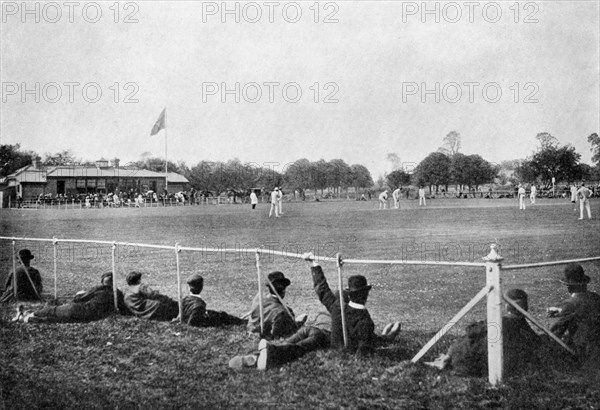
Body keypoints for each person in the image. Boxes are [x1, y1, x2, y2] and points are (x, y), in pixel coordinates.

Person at [426, 289, 540, 377]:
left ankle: (446, 360)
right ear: (526, 307)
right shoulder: (527, 329)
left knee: (471, 339)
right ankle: (446, 359)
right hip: (512, 367)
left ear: (506, 306)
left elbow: (471, 331)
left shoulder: (499, 322)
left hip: (480, 364)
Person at [305, 253, 401, 355]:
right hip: (348, 351)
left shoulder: (337, 308)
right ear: (366, 295)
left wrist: (313, 263)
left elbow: (323, 290)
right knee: (374, 339)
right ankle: (387, 337)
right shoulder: (365, 320)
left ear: (349, 295)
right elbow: (364, 349)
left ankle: (385, 336)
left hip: (335, 349)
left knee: (370, 337)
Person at [229, 310, 332, 370]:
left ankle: (257, 356)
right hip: (322, 333)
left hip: (310, 328)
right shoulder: (342, 310)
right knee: (300, 348)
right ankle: (269, 354)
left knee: (287, 343)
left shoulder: (325, 310)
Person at [14, 272, 128, 323]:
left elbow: (78, 299)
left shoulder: (98, 289)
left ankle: (30, 314)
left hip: (78, 310)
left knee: (52, 310)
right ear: (113, 283)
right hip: (92, 317)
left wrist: (78, 295)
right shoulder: (118, 293)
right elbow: (123, 308)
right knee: (56, 319)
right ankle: (26, 317)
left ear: (102, 282)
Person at [547, 264, 600, 367]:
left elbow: (556, 331)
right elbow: (582, 309)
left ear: (568, 285)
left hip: (584, 351)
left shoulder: (570, 304)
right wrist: (562, 311)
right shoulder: (597, 297)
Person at [247, 271, 303, 339]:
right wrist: (299, 323)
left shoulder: (258, 297)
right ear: (283, 290)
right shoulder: (284, 312)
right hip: (263, 335)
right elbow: (278, 335)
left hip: (251, 328)